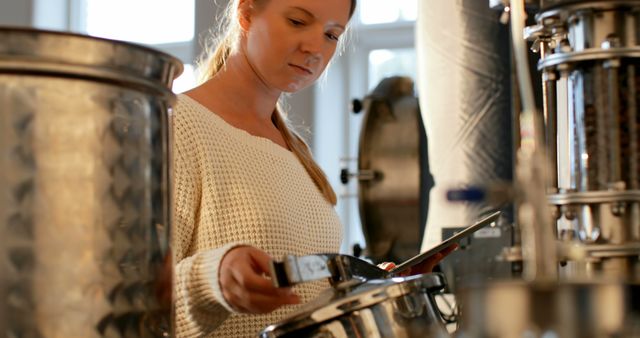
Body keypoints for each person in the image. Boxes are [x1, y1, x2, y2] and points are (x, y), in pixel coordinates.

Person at [172, 0, 455, 337]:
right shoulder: (178, 127)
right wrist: (211, 280)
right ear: (246, 13)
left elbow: (307, 295)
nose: (315, 48)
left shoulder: (293, 148)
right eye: (296, 21)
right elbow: (126, 297)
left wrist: (376, 283)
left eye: (332, 35)